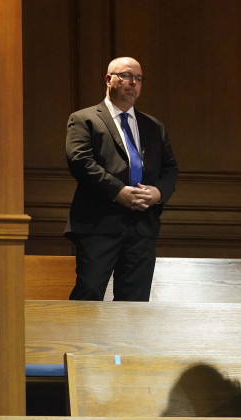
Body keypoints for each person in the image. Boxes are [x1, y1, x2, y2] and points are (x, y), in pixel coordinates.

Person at [65, 56, 178, 301]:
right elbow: (80, 162)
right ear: (109, 79)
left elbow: (170, 169)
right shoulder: (84, 119)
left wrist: (158, 193)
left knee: (135, 304)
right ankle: (81, 342)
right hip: (98, 224)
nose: (133, 83)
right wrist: (118, 191)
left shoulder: (153, 126)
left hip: (142, 226)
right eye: (126, 76)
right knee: (89, 295)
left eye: (138, 78)